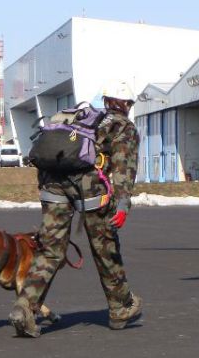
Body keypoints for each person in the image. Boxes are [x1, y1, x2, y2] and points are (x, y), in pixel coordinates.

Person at [9, 81, 142, 336]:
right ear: (125, 103)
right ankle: (120, 307)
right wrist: (123, 204)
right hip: (91, 189)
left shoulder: (78, 118)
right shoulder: (122, 126)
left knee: (49, 252)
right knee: (104, 249)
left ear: (105, 99)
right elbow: (124, 168)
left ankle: (24, 308)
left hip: (52, 184)